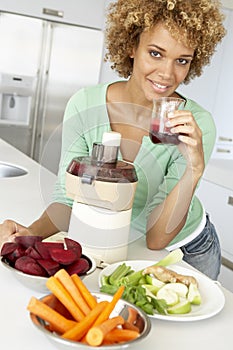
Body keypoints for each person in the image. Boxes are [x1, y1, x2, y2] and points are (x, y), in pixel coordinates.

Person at [0, 0, 226, 279]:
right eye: (155, 53)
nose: (168, 74)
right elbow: (69, 199)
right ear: (132, 45)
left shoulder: (195, 124)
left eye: (182, 60)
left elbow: (157, 240)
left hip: (188, 249)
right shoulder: (85, 104)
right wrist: (29, 234)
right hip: (121, 245)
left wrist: (195, 168)